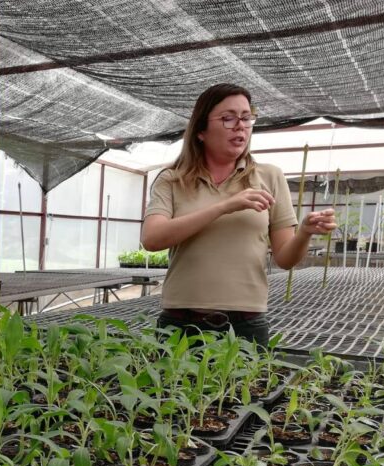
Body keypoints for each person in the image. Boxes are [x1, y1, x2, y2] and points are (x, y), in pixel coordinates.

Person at [141, 83, 336, 346]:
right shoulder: (173, 179)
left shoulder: (269, 176)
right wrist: (224, 206)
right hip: (180, 322)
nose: (240, 126)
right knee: (175, 388)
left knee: (240, 388)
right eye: (228, 118)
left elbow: (285, 259)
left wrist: (304, 232)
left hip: (245, 324)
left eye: (246, 117)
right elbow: (152, 239)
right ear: (200, 130)